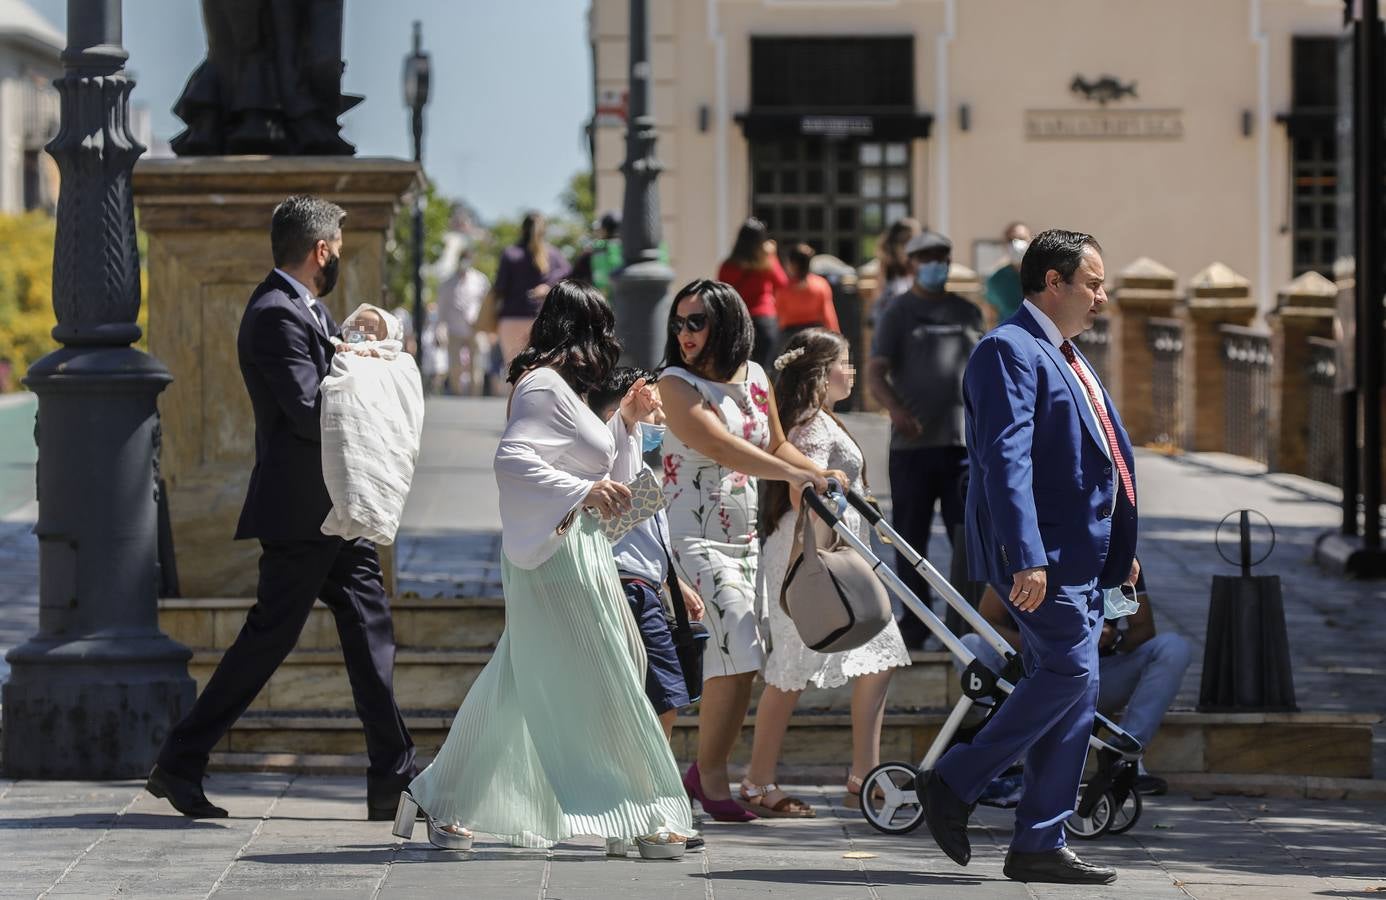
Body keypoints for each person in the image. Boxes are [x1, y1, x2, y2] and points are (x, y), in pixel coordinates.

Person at [400, 280, 695, 860]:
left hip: (576, 550)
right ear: (582, 331)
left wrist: (630, 423)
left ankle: (437, 796)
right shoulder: (541, 387)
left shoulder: (563, 390)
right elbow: (513, 457)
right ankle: (637, 815)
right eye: (602, 329)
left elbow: (620, 485)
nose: (610, 343)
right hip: (559, 556)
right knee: (611, 668)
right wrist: (583, 488)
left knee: (513, 686)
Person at [146, 195, 416, 822]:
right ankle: (181, 760)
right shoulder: (275, 313)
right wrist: (367, 385)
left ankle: (392, 777)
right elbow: (305, 410)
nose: (341, 257)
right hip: (302, 514)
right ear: (321, 250)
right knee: (268, 642)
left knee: (369, 630)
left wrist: (355, 349)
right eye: (339, 248)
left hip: (331, 510)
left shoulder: (306, 310)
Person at [918, 229, 1138, 886]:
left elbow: (1102, 459)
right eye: (1093, 282)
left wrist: (1121, 550)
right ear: (1053, 282)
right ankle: (955, 779)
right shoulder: (1007, 351)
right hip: (1041, 558)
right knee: (1069, 673)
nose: (1102, 296)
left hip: (1084, 555)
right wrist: (1026, 557)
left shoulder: (1066, 353)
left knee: (1077, 690)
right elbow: (1003, 463)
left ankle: (1039, 839)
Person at [658, 279, 838, 822]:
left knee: (744, 657)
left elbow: (773, 443)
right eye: (679, 322)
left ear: (728, 324)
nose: (684, 333)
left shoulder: (757, 377)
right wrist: (789, 473)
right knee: (737, 636)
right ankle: (709, 778)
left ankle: (706, 770)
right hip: (689, 535)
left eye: (697, 322)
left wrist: (814, 473)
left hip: (742, 540)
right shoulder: (675, 382)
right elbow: (718, 444)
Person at [743, 329, 911, 818]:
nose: (853, 372)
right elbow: (804, 491)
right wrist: (821, 559)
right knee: (792, 668)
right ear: (820, 372)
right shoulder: (811, 426)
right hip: (813, 559)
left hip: (830, 557)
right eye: (845, 362)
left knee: (879, 654)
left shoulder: (820, 420)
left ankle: (864, 773)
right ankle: (757, 781)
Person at [959, 573, 1192, 801]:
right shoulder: (1032, 551)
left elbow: (1143, 628)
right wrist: (1034, 646)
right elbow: (986, 619)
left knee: (1173, 648)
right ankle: (998, 748)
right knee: (970, 646)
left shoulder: (1117, 552)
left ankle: (1122, 756)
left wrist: (1115, 638)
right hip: (1028, 675)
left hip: (1095, 675)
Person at [866, 230, 984, 648]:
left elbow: (985, 370)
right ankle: (915, 625)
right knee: (910, 540)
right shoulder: (898, 312)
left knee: (967, 539)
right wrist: (896, 409)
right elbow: (876, 370)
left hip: (962, 447)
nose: (937, 263)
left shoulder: (967, 312)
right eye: (928, 256)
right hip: (912, 447)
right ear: (912, 262)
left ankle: (969, 623)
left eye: (943, 256)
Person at [588, 366, 707, 743]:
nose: (660, 421)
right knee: (662, 701)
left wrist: (676, 585)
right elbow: (620, 434)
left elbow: (642, 539)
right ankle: (655, 792)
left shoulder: (639, 467)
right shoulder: (615, 455)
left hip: (643, 590)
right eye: (652, 412)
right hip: (631, 594)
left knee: (653, 701)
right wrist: (628, 417)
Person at [493, 211, 571, 370]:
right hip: (543, 318)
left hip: (512, 318)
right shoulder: (555, 255)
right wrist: (548, 287)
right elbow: (569, 277)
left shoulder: (510, 254)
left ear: (522, 230)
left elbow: (500, 287)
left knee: (512, 369)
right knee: (540, 368)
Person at [717, 218, 788, 371]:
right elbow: (782, 283)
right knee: (765, 369)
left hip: (738, 319)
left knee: (739, 368)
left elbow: (722, 291)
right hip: (764, 319)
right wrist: (772, 255)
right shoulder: (767, 263)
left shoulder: (729, 265)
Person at [437, 239, 492, 396]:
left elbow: (487, 304)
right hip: (454, 328)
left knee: (477, 364)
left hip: (476, 327)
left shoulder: (480, 280)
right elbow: (442, 307)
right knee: (454, 364)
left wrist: (487, 327)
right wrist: (440, 328)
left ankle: (475, 395)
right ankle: (457, 393)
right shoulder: (447, 282)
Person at [774, 243, 839, 352]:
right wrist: (836, 338)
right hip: (815, 337)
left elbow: (779, 316)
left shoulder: (783, 287)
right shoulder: (820, 285)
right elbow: (828, 316)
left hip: (790, 338)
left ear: (792, 264)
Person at [984, 222, 1032, 323]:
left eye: (1022, 238)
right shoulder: (996, 280)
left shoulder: (1043, 274)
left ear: (1030, 241)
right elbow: (991, 317)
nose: (1016, 244)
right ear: (1004, 245)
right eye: (1011, 240)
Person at [570, 210, 623, 296]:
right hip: (625, 302)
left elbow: (573, 280)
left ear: (604, 230)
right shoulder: (630, 251)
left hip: (599, 302)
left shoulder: (591, 251)